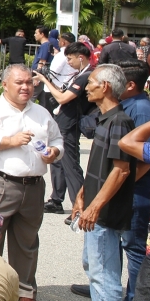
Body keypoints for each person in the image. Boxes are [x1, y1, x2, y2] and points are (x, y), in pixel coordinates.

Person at [0, 63, 63, 301]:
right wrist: (9, 141)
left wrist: (55, 152)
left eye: (29, 82)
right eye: (19, 82)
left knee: (27, 241)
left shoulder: (42, 113)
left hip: (33, 187)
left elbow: (57, 139)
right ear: (5, 85)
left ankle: (25, 291)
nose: (25, 87)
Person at [68, 64, 136, 301]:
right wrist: (83, 195)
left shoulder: (119, 121)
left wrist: (95, 206)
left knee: (104, 274)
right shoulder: (105, 118)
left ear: (105, 86)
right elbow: (100, 166)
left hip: (105, 213)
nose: (86, 87)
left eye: (91, 82)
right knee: (93, 267)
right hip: (95, 208)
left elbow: (121, 170)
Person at [108, 60, 150, 301]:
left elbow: (145, 160)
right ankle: (111, 291)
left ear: (131, 85)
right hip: (122, 187)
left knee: (134, 247)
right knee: (114, 242)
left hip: (135, 191)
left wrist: (121, 185)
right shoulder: (128, 104)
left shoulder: (143, 110)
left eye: (117, 81)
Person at [34, 41, 94, 217]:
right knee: (57, 162)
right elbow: (62, 92)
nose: (68, 62)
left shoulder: (86, 76)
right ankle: (56, 199)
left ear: (81, 58)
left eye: (70, 59)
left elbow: (62, 98)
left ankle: (80, 207)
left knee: (70, 166)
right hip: (63, 122)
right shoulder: (79, 74)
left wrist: (44, 80)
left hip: (70, 124)